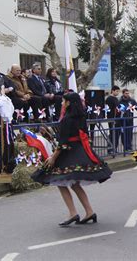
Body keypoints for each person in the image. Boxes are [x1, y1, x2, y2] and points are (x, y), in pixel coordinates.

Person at [31, 92, 112, 226]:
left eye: (63, 101)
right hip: (80, 150)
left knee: (60, 182)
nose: (62, 104)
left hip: (68, 152)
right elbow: (85, 135)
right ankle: (89, 211)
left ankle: (73, 213)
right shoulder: (81, 117)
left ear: (68, 103)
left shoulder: (67, 119)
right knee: (74, 183)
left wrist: (53, 157)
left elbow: (63, 142)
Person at [105, 85, 120, 154]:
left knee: (116, 134)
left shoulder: (116, 98)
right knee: (112, 134)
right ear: (112, 91)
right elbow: (109, 110)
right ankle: (110, 149)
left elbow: (118, 107)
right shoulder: (109, 99)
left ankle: (115, 148)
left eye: (118, 91)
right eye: (116, 91)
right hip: (112, 119)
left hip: (117, 119)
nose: (117, 93)